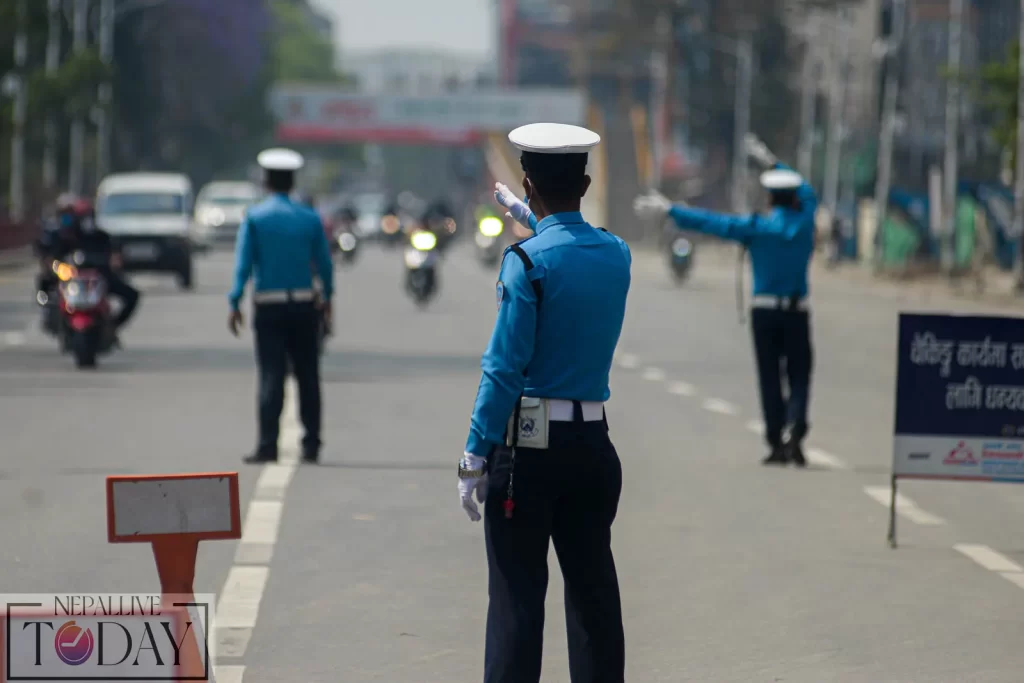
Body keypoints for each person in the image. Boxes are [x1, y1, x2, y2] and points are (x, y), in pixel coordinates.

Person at [459, 123, 632, 683]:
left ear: (526, 182)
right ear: (585, 183)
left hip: (526, 457)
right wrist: (532, 216)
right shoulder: (617, 255)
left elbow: (503, 369)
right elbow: (575, 248)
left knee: (517, 602)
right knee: (593, 600)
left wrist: (473, 455)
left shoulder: (524, 263)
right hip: (591, 448)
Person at [634, 134, 817, 467]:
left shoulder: (756, 227)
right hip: (797, 313)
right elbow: (809, 193)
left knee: (770, 377)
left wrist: (671, 210)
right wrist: (774, 162)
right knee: (800, 374)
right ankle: (797, 428)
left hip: (764, 312)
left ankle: (776, 441)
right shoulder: (805, 223)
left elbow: (714, 223)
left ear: (770, 198)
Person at [228, 148, 334, 465]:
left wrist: (234, 301)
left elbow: (243, 265)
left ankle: (267, 445)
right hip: (304, 305)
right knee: (308, 375)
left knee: (271, 375)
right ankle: (312, 443)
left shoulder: (256, 218)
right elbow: (325, 266)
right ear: (292, 181)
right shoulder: (310, 218)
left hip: (269, 307)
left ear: (266, 181)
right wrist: (327, 298)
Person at [38, 195, 140, 336]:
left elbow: (115, 256)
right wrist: (52, 265)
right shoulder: (65, 237)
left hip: (99, 278)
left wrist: (114, 262)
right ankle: (50, 317)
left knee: (132, 295)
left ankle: (112, 326)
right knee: (45, 284)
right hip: (72, 279)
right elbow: (52, 258)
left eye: (87, 216)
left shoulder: (101, 237)